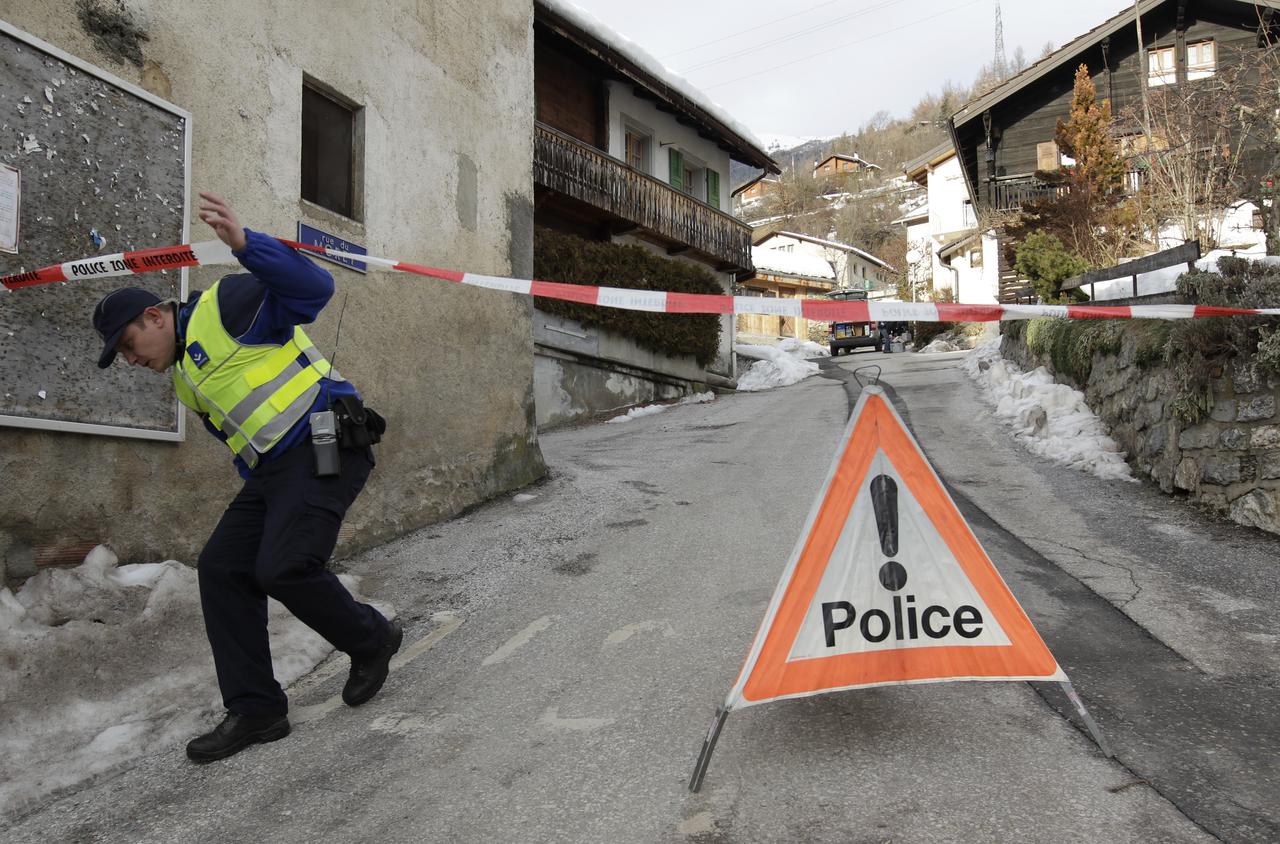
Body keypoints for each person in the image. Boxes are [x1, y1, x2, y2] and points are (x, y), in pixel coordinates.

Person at [92, 192, 400, 763]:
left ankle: (373, 639)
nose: (130, 360)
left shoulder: (225, 303)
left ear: (153, 316)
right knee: (223, 567)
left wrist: (246, 246)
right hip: (274, 472)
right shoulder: (185, 375)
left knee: (284, 566)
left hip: (325, 441)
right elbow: (241, 435)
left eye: (128, 346)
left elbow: (314, 291)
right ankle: (257, 708)